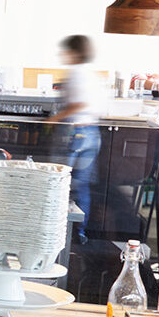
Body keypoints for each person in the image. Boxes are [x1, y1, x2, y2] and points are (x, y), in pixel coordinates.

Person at [50, 34, 105, 237]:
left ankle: (59, 231)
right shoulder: (93, 75)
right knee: (81, 185)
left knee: (61, 182)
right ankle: (79, 233)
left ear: (73, 52)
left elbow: (78, 103)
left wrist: (54, 119)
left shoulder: (75, 74)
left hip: (76, 133)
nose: (62, 55)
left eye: (65, 51)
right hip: (92, 132)